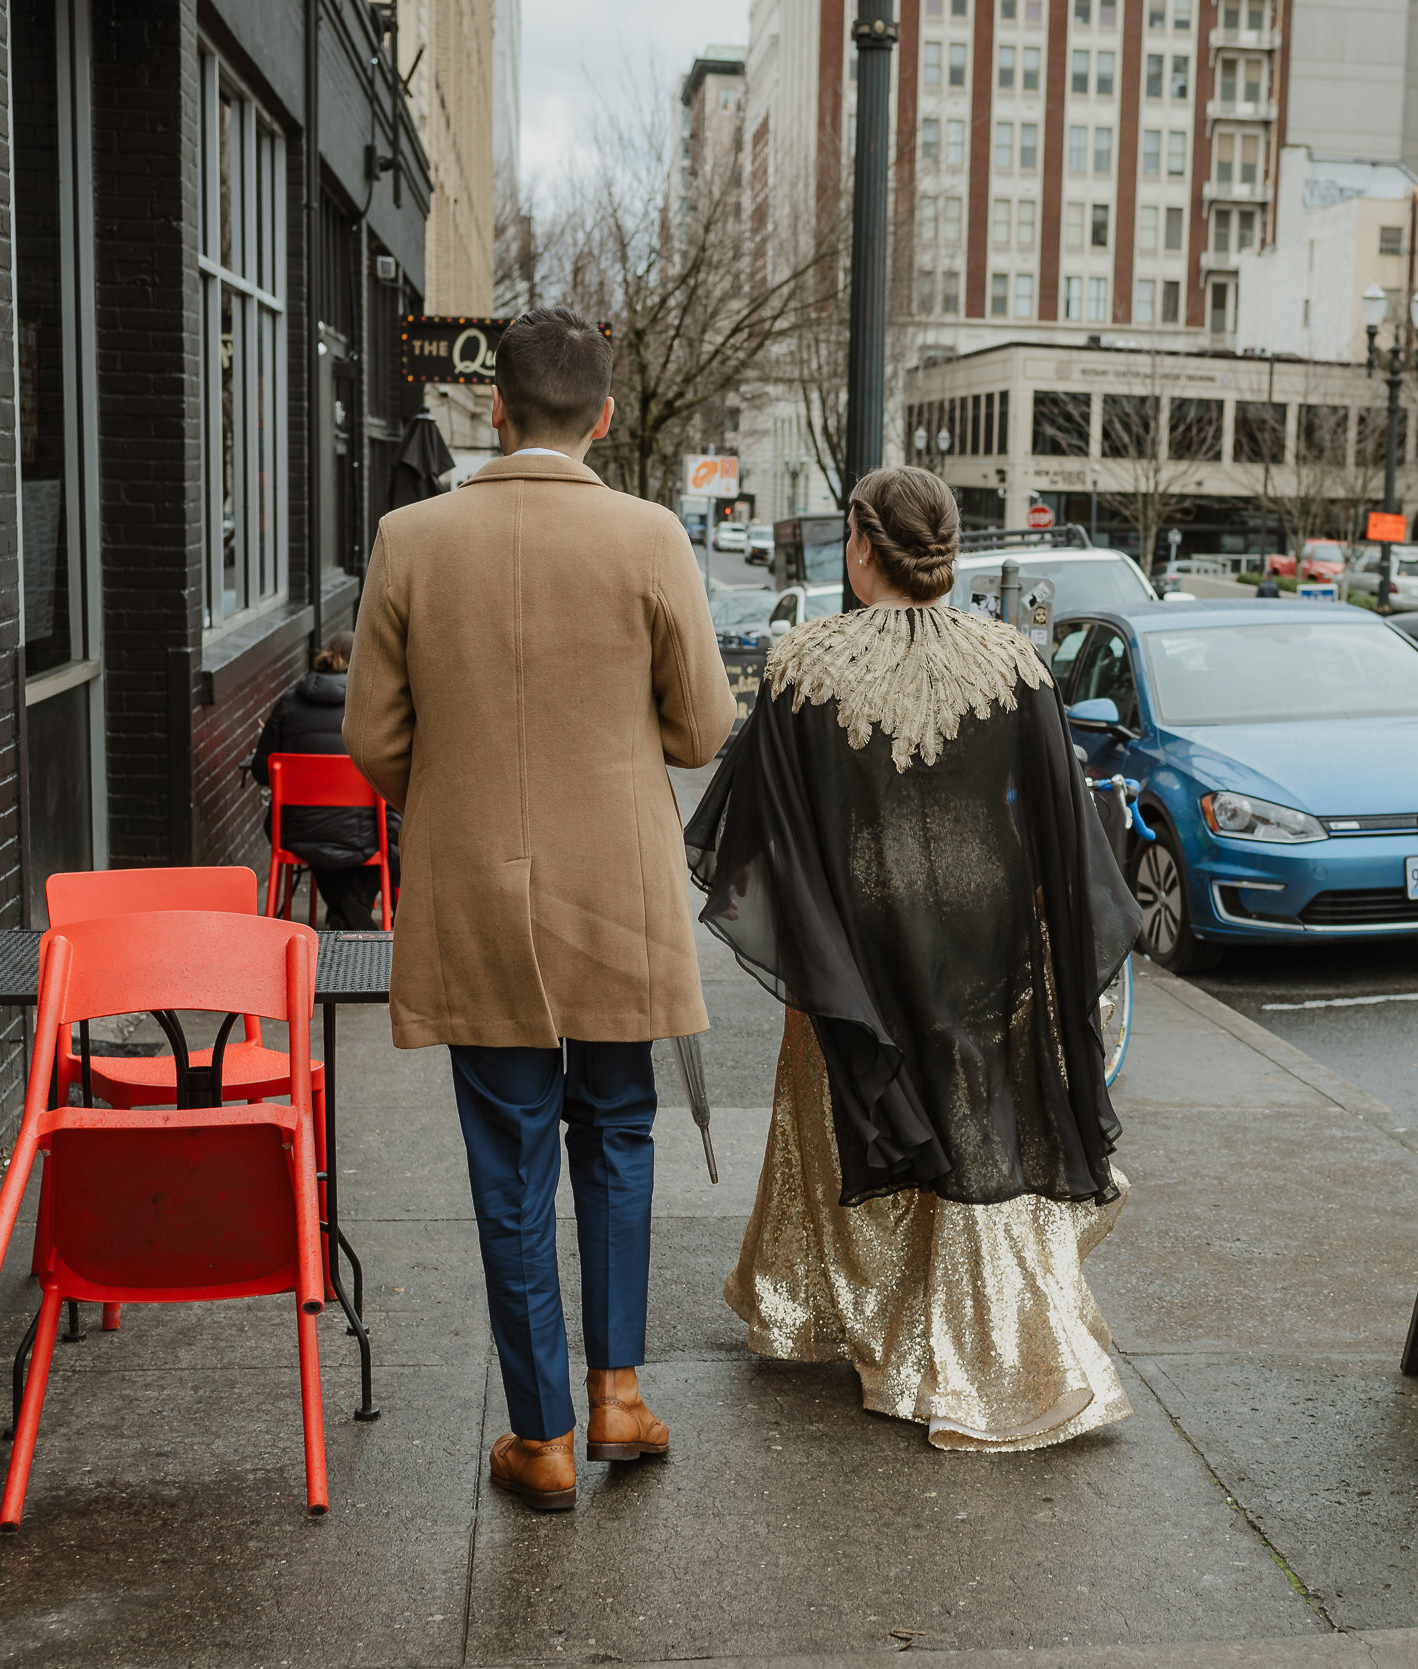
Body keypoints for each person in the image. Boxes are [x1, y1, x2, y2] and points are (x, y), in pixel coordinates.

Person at [344, 307, 737, 1512]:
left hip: (475, 888)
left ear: (495, 407)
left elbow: (371, 737)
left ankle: (543, 1433)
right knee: (618, 1133)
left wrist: (457, 790)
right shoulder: (650, 535)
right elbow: (704, 726)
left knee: (510, 1154)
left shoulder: (411, 536)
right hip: (616, 883)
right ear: (605, 416)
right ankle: (618, 1387)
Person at [685, 466, 1142, 1452]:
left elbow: (758, 823)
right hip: (986, 922)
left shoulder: (805, 661)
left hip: (853, 922)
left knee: (842, 1094)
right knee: (977, 1112)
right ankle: (966, 1330)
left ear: (860, 544)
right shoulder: (1015, 659)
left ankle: (830, 1311)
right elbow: (1058, 821)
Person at [251, 631, 397, 930]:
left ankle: (344, 916)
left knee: (324, 836)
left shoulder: (288, 703)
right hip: (366, 834)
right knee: (383, 832)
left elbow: (260, 772)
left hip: (297, 831)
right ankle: (354, 919)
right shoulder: (374, 708)